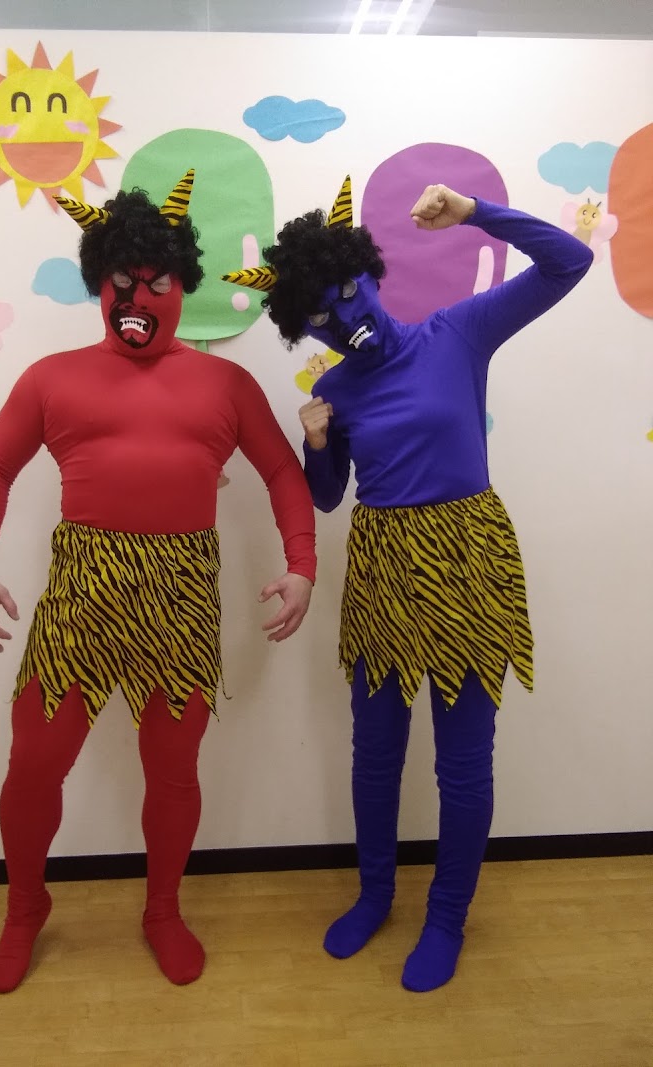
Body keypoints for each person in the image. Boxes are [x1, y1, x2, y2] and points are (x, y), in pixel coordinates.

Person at [224, 178, 592, 992]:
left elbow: (571, 262)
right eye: (319, 317)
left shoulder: (458, 332)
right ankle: (376, 895)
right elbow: (329, 497)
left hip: (468, 556)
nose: (341, 318)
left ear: (368, 273)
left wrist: (476, 213)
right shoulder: (335, 390)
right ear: (304, 327)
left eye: (345, 294)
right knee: (376, 752)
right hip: (384, 563)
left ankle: (447, 916)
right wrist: (317, 443)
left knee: (462, 761)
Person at [0, 171, 316, 994]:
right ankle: (24, 906)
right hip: (83, 591)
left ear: (182, 285)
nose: (140, 297)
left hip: (181, 593)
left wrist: (302, 563)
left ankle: (162, 908)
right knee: (34, 763)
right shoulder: (51, 377)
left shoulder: (227, 385)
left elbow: (281, 473)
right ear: (101, 283)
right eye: (124, 280)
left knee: (174, 769)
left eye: (157, 282)